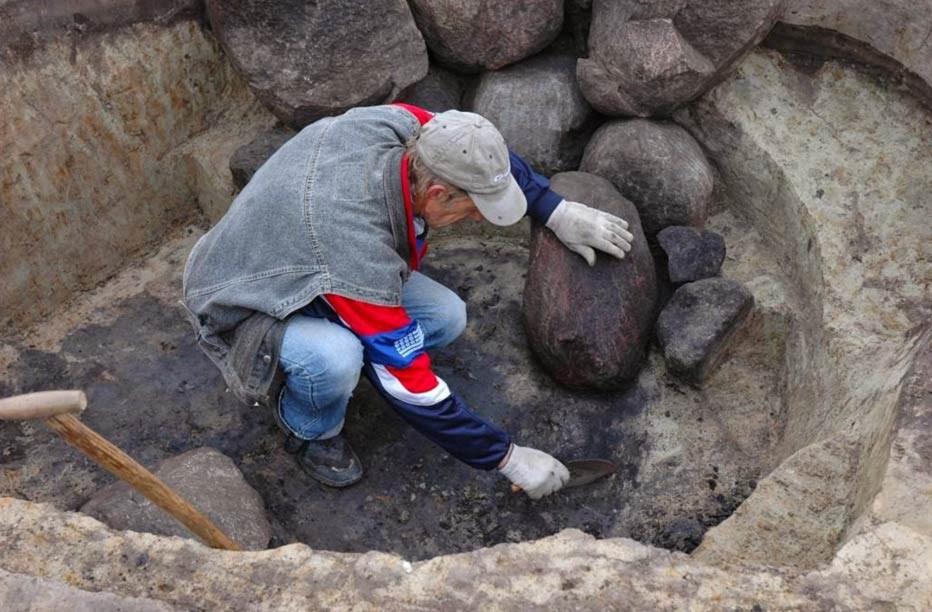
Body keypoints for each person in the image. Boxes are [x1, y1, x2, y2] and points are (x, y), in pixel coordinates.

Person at [181, 103, 634, 499]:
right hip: (245, 297)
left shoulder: (412, 129)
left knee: (446, 315)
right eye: (472, 209)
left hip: (298, 257)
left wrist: (556, 210)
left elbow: (482, 158)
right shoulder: (351, 240)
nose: (478, 218)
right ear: (437, 194)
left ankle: (354, 341)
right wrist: (506, 458)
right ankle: (308, 427)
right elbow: (411, 384)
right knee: (336, 358)